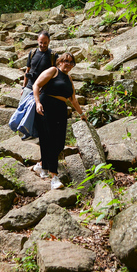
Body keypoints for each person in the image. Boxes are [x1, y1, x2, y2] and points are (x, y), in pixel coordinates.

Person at [32, 52, 87, 190]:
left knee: (60, 143)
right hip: (46, 106)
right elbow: (36, 85)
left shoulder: (69, 79)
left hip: (61, 109)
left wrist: (81, 114)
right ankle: (54, 177)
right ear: (60, 61)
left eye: (71, 62)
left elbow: (73, 99)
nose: (68, 64)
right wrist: (37, 102)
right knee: (49, 140)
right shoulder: (53, 71)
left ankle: (41, 165)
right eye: (66, 61)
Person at [17, 31, 58, 139]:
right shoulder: (32, 53)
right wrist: (23, 86)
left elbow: (54, 74)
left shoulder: (53, 56)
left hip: (42, 89)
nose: (43, 45)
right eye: (41, 42)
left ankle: (36, 133)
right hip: (29, 86)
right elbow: (27, 70)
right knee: (22, 109)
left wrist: (45, 89)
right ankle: (26, 131)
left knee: (36, 112)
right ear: (37, 41)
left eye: (45, 43)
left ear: (49, 41)